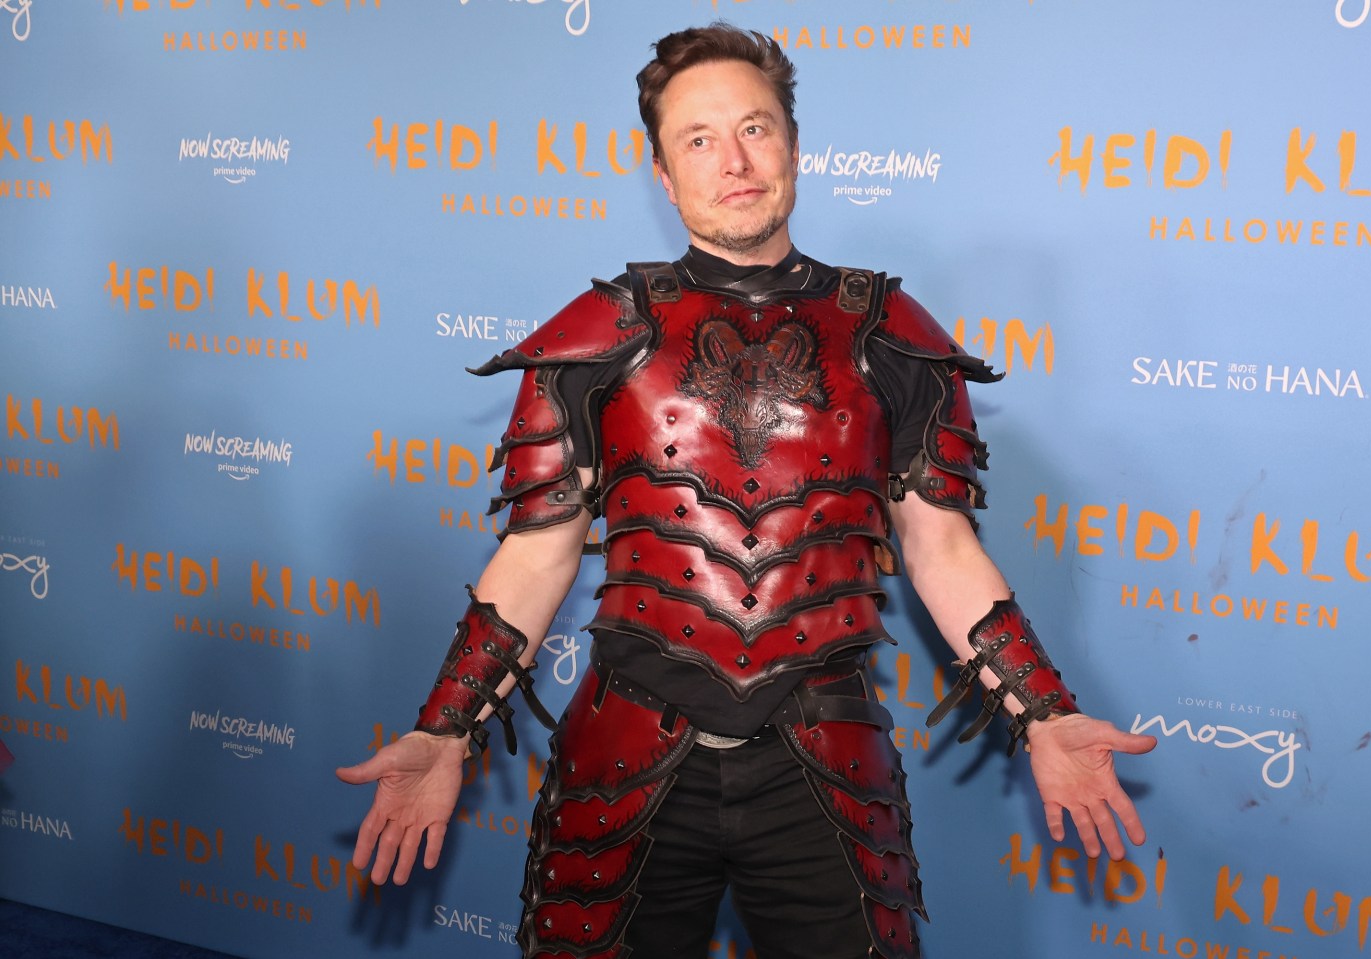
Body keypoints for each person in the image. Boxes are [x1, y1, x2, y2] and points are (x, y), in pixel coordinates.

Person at [338, 23, 1155, 959]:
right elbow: (537, 555)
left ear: (794, 147)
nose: (733, 160)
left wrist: (1045, 713)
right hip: (621, 756)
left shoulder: (890, 331)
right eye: (699, 138)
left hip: (828, 764)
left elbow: (941, 547)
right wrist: (445, 731)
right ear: (662, 172)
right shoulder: (599, 333)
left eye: (755, 129)